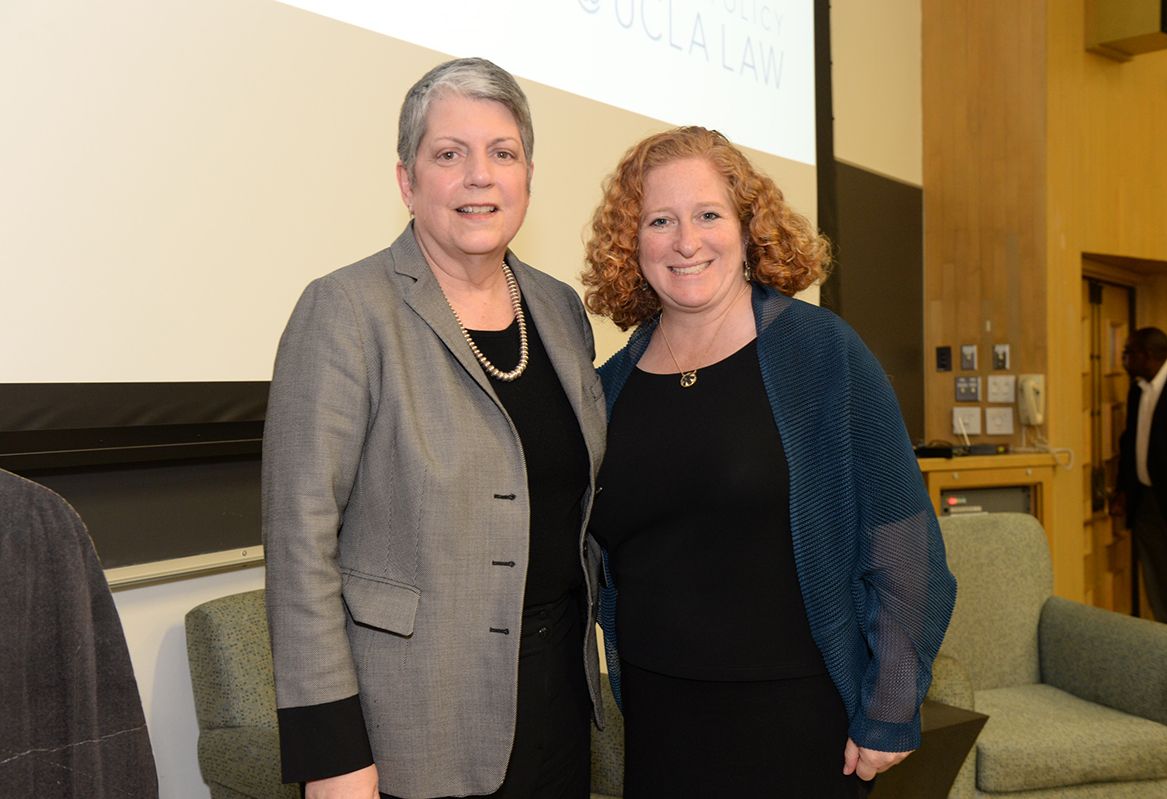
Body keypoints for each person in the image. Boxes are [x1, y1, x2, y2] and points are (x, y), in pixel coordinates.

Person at [263, 58, 607, 799]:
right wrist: (331, 751)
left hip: (555, 705)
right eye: (449, 154)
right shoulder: (347, 310)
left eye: (502, 152)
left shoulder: (559, 309)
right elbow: (300, 540)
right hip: (411, 725)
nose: (479, 176)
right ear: (407, 181)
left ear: (528, 175)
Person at [581, 126, 956, 797]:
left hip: (796, 719)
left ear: (750, 226)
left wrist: (890, 709)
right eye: (659, 220)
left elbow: (904, 543)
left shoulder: (821, 353)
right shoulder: (609, 386)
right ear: (630, 244)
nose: (686, 241)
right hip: (660, 718)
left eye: (708, 215)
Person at [1113, 327, 1167, 628]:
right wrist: (1123, 491)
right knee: (1161, 584)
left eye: (1128, 353)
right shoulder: (1137, 390)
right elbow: (1130, 444)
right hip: (1147, 505)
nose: (1124, 360)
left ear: (1146, 356)